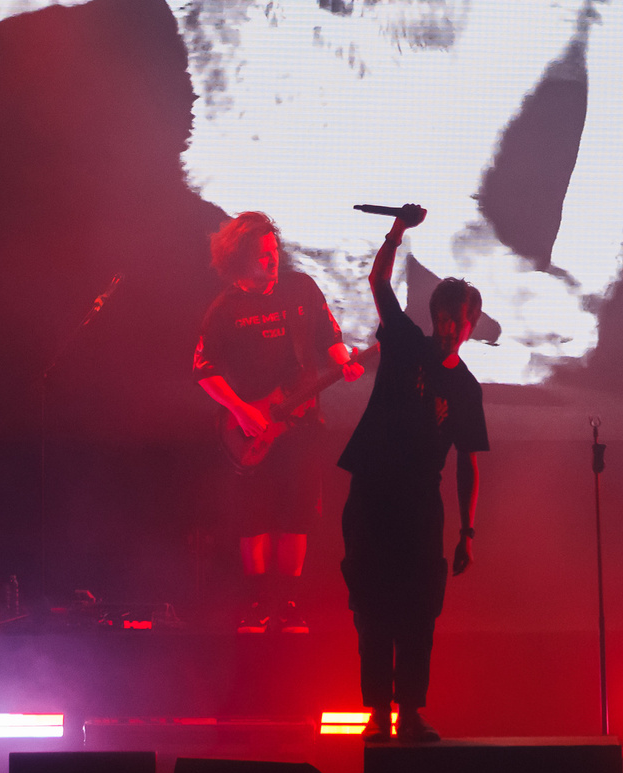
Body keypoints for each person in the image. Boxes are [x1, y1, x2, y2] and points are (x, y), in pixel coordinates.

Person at [335, 205, 488, 743]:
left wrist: (468, 531)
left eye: (458, 321)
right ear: (434, 315)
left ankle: (410, 710)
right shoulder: (402, 343)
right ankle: (377, 712)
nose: (449, 329)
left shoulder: (466, 388)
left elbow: (468, 459)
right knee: (373, 607)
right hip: (374, 497)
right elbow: (378, 281)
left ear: (470, 326)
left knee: (419, 613)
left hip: (423, 508)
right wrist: (397, 232)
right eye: (443, 318)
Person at [193, 211, 363, 631]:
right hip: (251, 431)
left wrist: (346, 363)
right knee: (254, 521)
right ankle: (257, 604)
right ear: (239, 259)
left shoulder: (301, 289)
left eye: (274, 252)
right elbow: (203, 370)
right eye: (263, 255)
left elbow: (330, 338)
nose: (273, 260)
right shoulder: (224, 310)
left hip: (302, 427)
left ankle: (287, 605)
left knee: (296, 517)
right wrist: (240, 409)